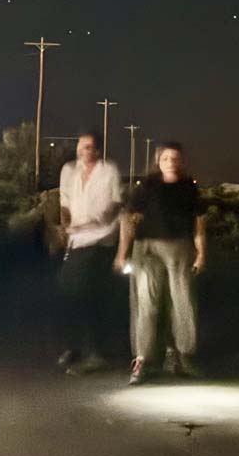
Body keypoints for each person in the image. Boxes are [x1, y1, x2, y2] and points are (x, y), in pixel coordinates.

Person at [115, 142, 206, 385]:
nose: (170, 162)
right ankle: (144, 359)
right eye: (166, 158)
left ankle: (182, 356)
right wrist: (122, 253)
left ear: (181, 161)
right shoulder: (147, 186)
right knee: (147, 303)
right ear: (159, 161)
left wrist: (201, 253)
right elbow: (129, 218)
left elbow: (199, 223)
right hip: (148, 249)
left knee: (183, 303)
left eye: (175, 158)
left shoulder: (189, 187)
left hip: (180, 248)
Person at [56, 132, 123, 373]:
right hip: (75, 240)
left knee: (88, 293)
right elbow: (64, 201)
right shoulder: (69, 171)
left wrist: (92, 222)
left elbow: (116, 204)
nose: (85, 150)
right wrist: (65, 222)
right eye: (81, 146)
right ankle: (73, 345)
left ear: (98, 150)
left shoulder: (109, 171)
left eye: (90, 147)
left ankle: (96, 353)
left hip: (100, 239)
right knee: (66, 290)